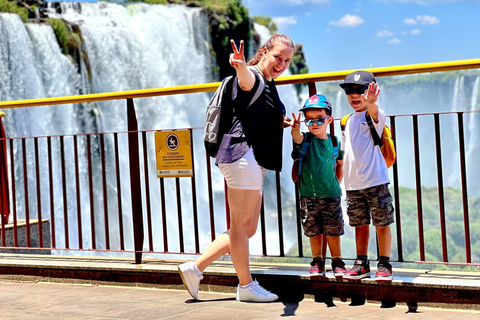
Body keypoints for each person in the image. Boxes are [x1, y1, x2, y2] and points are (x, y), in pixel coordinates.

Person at [178, 34, 295, 302]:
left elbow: (252, 113)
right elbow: (244, 81)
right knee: (240, 226)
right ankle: (246, 285)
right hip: (243, 156)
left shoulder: (269, 83)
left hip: (252, 160)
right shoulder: (253, 75)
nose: (281, 64)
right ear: (265, 51)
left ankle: (195, 268)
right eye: (277, 57)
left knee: (247, 228)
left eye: (287, 60)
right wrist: (240, 65)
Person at [339, 70, 394, 282]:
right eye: (350, 91)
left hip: (376, 181)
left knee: (382, 223)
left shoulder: (375, 116)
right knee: (359, 224)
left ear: (371, 91)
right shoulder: (346, 121)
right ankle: (362, 262)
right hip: (353, 185)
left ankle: (384, 263)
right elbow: (344, 154)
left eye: (360, 90)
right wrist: (341, 182)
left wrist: (372, 102)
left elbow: (375, 111)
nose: (355, 95)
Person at [290, 94, 347, 278]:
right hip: (308, 195)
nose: (314, 124)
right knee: (313, 230)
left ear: (329, 119)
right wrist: (295, 129)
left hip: (331, 195)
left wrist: (335, 184)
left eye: (320, 120)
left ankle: (337, 260)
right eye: (310, 120)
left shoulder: (335, 142)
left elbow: (339, 166)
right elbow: (297, 137)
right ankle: (317, 261)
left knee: (333, 230)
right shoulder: (306, 139)